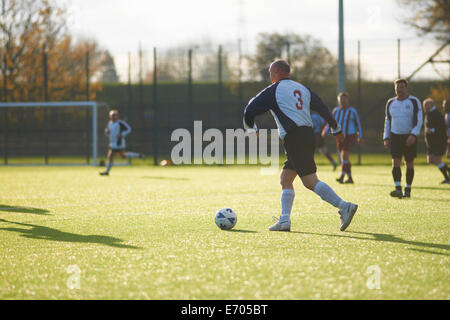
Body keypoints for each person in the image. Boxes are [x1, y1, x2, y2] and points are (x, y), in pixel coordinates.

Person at [243, 59, 358, 232]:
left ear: (275, 74)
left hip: (294, 137)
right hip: (306, 135)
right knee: (286, 179)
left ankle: (344, 206)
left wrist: (252, 131)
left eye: (270, 73)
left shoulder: (274, 90)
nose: (270, 76)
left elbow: (249, 110)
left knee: (310, 181)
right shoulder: (303, 89)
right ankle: (285, 220)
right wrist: (336, 127)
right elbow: (322, 108)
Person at [383, 79, 423, 198]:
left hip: (409, 136)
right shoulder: (390, 102)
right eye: (397, 88)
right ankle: (398, 188)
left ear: (406, 88)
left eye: (401, 87)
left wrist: (413, 135)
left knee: (409, 162)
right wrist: (386, 137)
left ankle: (408, 189)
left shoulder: (414, 101)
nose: (399, 90)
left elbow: (419, 120)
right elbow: (387, 121)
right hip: (395, 136)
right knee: (395, 161)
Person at [322, 92, 364, 184]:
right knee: (344, 158)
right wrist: (325, 130)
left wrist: (360, 136)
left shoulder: (352, 111)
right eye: (341, 100)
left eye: (344, 100)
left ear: (348, 100)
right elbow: (331, 121)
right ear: (338, 101)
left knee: (344, 155)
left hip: (350, 136)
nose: (343, 101)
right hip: (339, 136)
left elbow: (358, 124)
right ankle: (350, 178)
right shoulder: (336, 111)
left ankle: (341, 176)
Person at [100, 110, 145, 176]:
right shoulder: (109, 123)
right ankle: (138, 155)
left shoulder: (120, 123)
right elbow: (107, 131)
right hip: (113, 143)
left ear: (117, 116)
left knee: (110, 156)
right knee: (123, 156)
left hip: (119, 143)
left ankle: (107, 171)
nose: (114, 117)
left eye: (115, 115)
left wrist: (122, 134)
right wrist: (107, 132)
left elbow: (129, 129)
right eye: (112, 115)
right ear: (110, 116)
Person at [423, 99, 449, 183]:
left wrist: (433, 130)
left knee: (436, 160)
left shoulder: (437, 114)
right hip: (431, 143)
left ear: (431, 105)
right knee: (430, 160)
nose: (424, 108)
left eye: (426, 106)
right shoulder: (429, 114)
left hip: (438, 142)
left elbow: (442, 128)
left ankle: (447, 178)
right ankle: (447, 176)